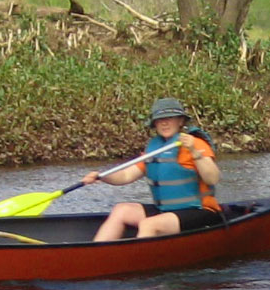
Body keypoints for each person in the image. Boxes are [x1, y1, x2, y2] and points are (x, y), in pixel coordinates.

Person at [80, 97, 222, 241]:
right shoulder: (154, 148)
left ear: (180, 121)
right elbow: (126, 175)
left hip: (201, 211)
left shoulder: (196, 143)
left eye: (170, 118)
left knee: (149, 224)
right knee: (121, 210)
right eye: (160, 120)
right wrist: (101, 176)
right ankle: (98, 253)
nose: (164, 123)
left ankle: (137, 260)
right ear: (155, 124)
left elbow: (213, 178)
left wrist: (195, 153)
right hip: (166, 211)